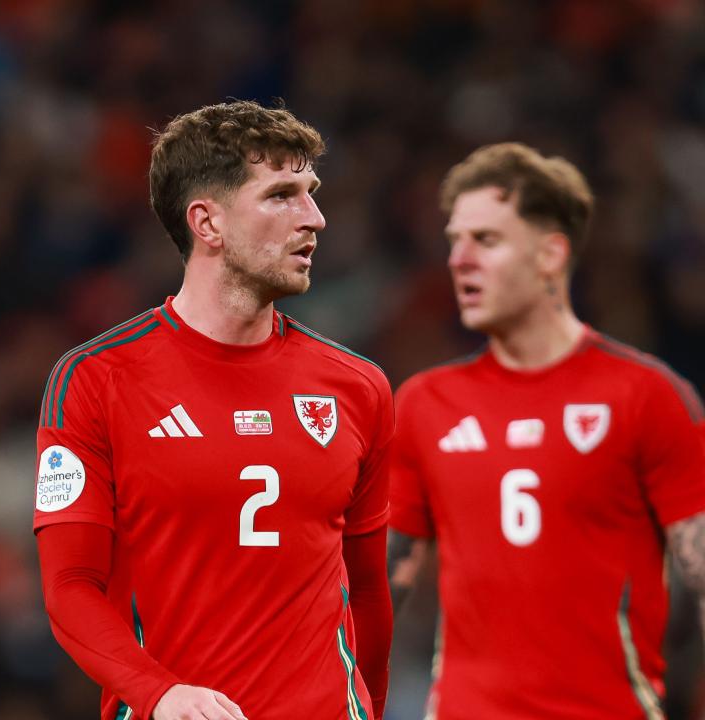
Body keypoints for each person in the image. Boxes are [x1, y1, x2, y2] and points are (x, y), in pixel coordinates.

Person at [35, 100, 394, 720]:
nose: (316, 218)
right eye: (283, 195)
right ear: (207, 223)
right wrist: (161, 694)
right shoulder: (96, 379)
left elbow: (366, 588)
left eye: (311, 192)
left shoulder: (358, 387)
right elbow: (71, 589)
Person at [387, 142, 705, 719]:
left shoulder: (645, 396)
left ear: (551, 254)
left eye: (485, 240)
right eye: (455, 240)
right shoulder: (424, 404)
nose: (459, 259)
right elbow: (378, 589)